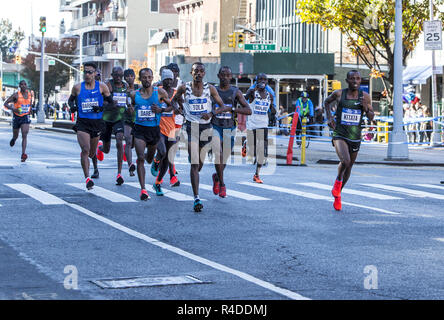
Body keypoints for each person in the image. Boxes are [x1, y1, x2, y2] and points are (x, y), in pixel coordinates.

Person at [172, 62, 230, 212]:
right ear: (191, 73)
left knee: (217, 155)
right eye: (195, 71)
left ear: (204, 73)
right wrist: (178, 108)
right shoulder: (185, 88)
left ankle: (221, 182)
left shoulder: (209, 88)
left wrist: (211, 113)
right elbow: (174, 99)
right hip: (191, 127)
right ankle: (196, 198)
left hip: (207, 127)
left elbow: (223, 106)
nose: (198, 73)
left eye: (201, 71)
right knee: (194, 164)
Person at [324, 70, 374, 211]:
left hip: (355, 136)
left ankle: (338, 194)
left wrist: (365, 107)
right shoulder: (339, 94)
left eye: (358, 79)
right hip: (340, 133)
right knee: (345, 161)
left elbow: (371, 117)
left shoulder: (365, 97)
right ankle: (338, 181)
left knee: (349, 166)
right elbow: (326, 102)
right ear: (347, 80)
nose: (355, 81)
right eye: (352, 79)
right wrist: (329, 118)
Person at [127, 68, 174, 201]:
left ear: (152, 78)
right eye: (144, 77)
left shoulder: (159, 92)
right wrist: (130, 111)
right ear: (140, 79)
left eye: (149, 77)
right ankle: (143, 189)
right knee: (141, 158)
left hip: (154, 130)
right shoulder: (133, 94)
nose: (147, 80)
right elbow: (129, 107)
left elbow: (173, 106)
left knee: (156, 155)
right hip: (140, 130)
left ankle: (155, 160)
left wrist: (161, 109)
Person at [68, 62, 112, 190]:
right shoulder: (77, 88)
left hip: (97, 123)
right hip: (83, 123)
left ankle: (97, 148)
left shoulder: (102, 87)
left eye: (90, 72)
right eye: (85, 72)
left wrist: (101, 107)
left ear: (95, 74)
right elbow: (70, 100)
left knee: (92, 153)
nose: (87, 75)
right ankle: (87, 178)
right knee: (85, 150)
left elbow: (111, 103)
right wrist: (72, 107)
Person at [211, 66, 251, 198]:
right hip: (215, 126)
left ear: (231, 77)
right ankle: (222, 184)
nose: (225, 78)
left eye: (228, 75)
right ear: (218, 76)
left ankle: (216, 177)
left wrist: (233, 109)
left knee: (224, 158)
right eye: (223, 75)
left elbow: (248, 110)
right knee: (219, 154)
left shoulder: (235, 92)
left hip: (229, 128)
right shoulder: (213, 90)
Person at [150, 69, 181, 194]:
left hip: (172, 128)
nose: (169, 81)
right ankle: (156, 161)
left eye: (171, 79)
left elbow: (177, 106)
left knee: (168, 157)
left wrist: (181, 110)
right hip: (158, 127)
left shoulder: (176, 93)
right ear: (162, 79)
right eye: (166, 79)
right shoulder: (157, 91)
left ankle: (158, 183)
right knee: (162, 151)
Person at [97, 66, 128, 185]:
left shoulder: (125, 86)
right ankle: (99, 148)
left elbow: (128, 99)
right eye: (116, 75)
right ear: (112, 75)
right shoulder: (107, 85)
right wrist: (110, 104)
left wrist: (129, 106)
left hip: (119, 118)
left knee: (120, 141)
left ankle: (119, 173)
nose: (119, 78)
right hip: (107, 119)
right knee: (106, 149)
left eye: (121, 76)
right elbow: (102, 102)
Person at [244, 73, 275, 184]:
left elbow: (272, 109)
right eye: (260, 79)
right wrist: (249, 93)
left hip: (263, 124)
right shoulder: (252, 92)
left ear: (267, 82)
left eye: (265, 79)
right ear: (256, 81)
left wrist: (273, 112)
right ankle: (246, 143)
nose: (262, 81)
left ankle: (257, 174)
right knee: (253, 149)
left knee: (261, 150)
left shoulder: (269, 95)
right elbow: (243, 101)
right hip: (252, 124)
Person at [3, 80, 34, 162]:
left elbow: (29, 103)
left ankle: (23, 154)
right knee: (16, 135)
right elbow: (5, 103)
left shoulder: (30, 94)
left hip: (25, 116)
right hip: (17, 117)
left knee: (24, 134)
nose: (23, 86)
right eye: (22, 84)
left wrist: (30, 109)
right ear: (20, 86)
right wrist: (13, 109)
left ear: (26, 86)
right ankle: (14, 139)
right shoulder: (16, 95)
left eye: (25, 84)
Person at [123, 68, 139, 177]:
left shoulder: (139, 88)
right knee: (128, 141)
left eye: (131, 76)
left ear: (134, 77)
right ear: (124, 78)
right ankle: (130, 166)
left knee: (134, 144)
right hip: (126, 119)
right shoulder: (122, 90)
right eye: (127, 76)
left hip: (138, 119)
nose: (129, 78)